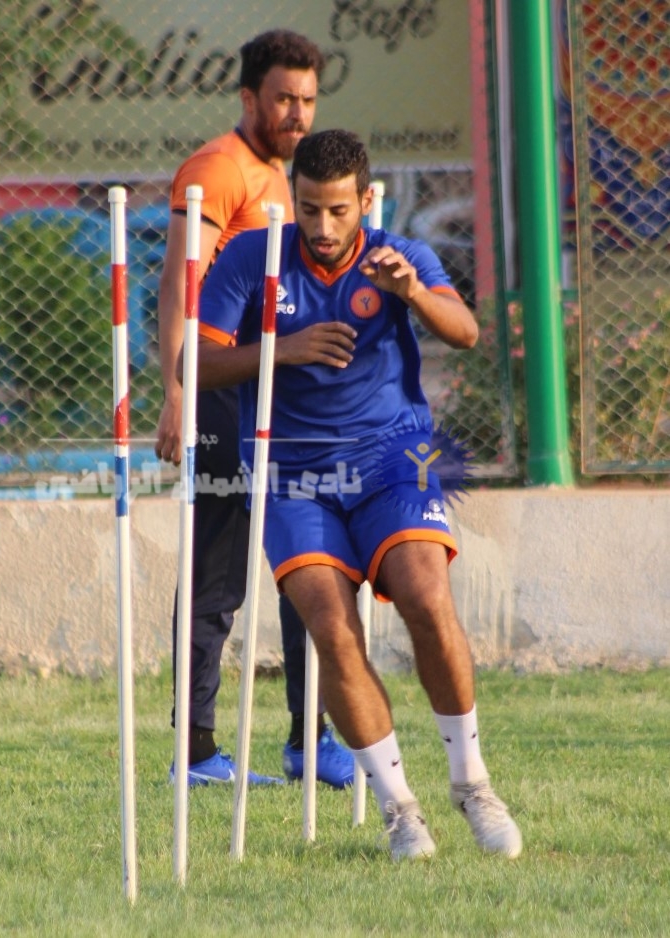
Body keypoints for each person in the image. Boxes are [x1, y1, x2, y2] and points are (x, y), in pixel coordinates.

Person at [190, 128, 522, 859]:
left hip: (392, 458)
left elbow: (464, 331)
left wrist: (410, 291)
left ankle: (470, 783)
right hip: (289, 474)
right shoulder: (254, 257)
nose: (322, 227)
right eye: (309, 209)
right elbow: (193, 364)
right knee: (329, 628)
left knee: (425, 595)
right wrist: (282, 350)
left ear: (363, 201)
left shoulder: (399, 255)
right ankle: (400, 807)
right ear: (293, 199)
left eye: (337, 211)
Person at [155, 30, 354, 788]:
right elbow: (181, 282)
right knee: (218, 573)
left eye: (307, 99)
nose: (296, 112)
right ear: (249, 98)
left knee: (310, 563)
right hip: (223, 391)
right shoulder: (218, 170)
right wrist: (178, 389)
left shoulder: (291, 179)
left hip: (287, 398)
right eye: (283, 98)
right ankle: (197, 753)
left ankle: (310, 738)